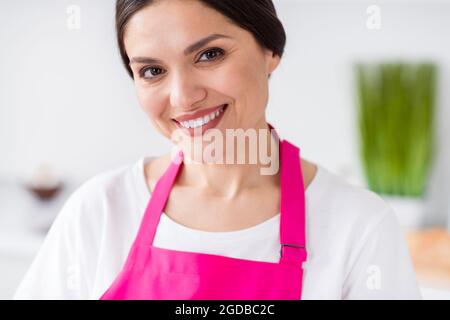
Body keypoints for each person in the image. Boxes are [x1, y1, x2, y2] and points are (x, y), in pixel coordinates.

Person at [14, 0, 421, 299]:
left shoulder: (359, 227)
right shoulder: (100, 210)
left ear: (270, 52)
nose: (183, 96)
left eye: (210, 54)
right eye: (152, 71)